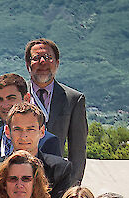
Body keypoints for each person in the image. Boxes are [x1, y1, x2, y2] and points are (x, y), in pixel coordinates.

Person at [22, 38, 87, 189]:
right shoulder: (14, 94)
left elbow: (77, 152)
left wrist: (69, 187)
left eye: (48, 58)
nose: (42, 62)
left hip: (56, 181)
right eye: (36, 58)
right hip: (18, 180)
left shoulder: (73, 99)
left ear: (57, 63)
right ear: (27, 65)